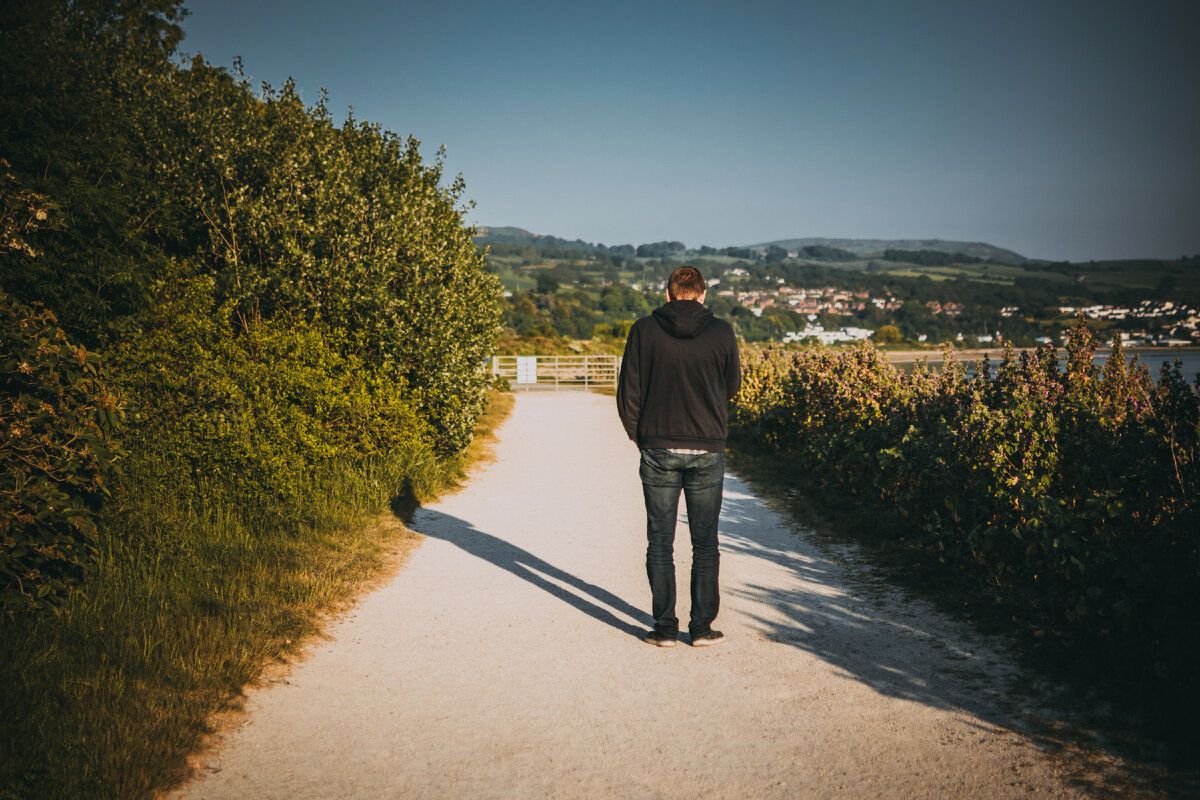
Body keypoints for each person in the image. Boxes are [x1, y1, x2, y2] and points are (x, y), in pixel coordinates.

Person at [617, 265, 741, 647]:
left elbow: (629, 393)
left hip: (658, 447)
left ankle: (665, 629)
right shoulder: (722, 332)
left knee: (660, 542)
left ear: (668, 294)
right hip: (707, 447)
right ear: (703, 294)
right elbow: (732, 386)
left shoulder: (643, 330)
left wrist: (642, 437)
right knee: (705, 542)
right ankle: (701, 629)